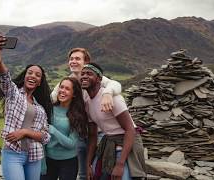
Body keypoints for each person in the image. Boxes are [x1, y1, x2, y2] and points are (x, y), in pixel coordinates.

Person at [51, 47, 122, 180]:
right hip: (79, 134)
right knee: (83, 173)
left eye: (77, 58)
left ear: (86, 62)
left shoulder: (93, 77)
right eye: (71, 59)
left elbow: (115, 84)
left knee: (100, 170)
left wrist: (108, 93)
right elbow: (53, 98)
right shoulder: (69, 81)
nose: (73, 61)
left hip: (99, 134)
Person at [0, 35, 53, 180]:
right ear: (25, 76)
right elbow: (4, 76)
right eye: (30, 73)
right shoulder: (13, 94)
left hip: (34, 156)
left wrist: (25, 132)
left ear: (40, 82)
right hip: (13, 153)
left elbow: (45, 137)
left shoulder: (41, 108)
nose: (33, 76)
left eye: (37, 75)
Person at [81, 63, 146, 180]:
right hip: (109, 142)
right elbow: (92, 135)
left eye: (89, 74)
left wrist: (120, 165)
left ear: (99, 79)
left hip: (127, 143)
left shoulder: (112, 98)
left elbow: (130, 129)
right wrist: (88, 165)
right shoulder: (87, 102)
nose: (84, 76)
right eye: (82, 74)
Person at [41, 77, 88, 180]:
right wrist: (42, 162)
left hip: (69, 162)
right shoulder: (50, 109)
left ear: (74, 94)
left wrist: (53, 130)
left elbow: (71, 144)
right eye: (61, 87)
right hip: (49, 160)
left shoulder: (78, 115)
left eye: (67, 89)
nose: (62, 91)